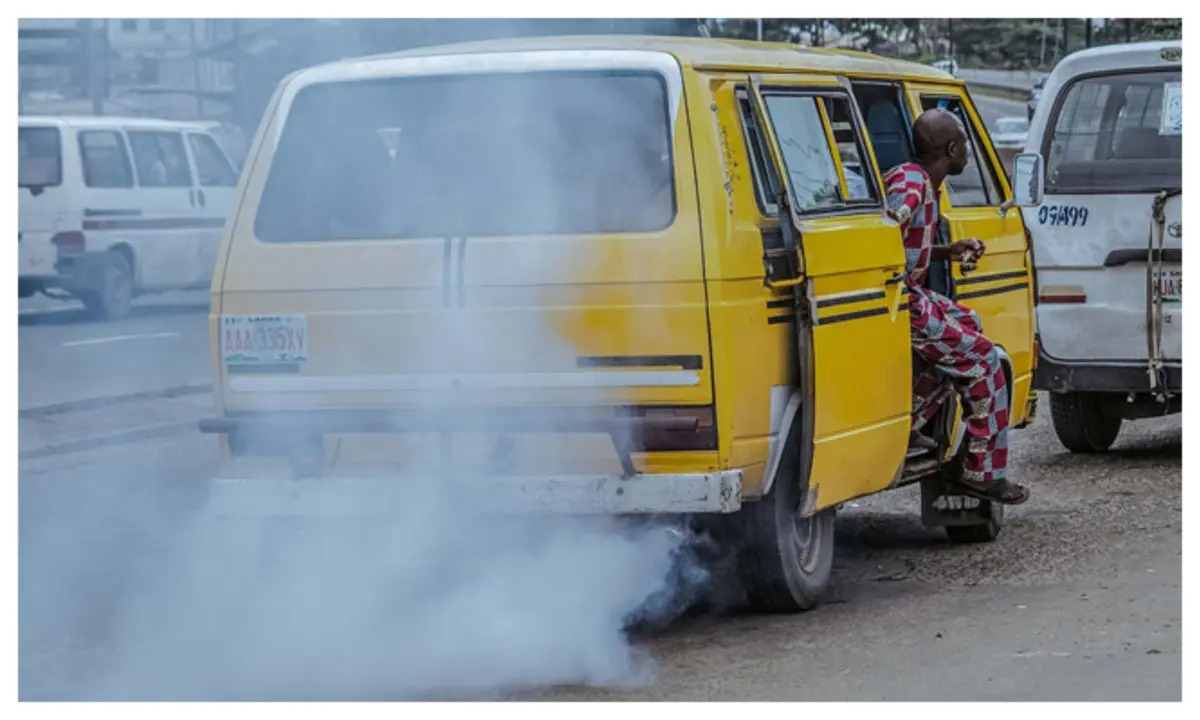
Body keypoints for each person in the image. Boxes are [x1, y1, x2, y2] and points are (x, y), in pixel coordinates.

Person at [884, 108, 1030, 505]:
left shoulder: (919, 181)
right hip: (901, 301)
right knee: (984, 361)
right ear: (952, 149)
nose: (966, 150)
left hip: (910, 297)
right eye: (964, 143)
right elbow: (884, 233)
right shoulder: (912, 185)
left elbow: (906, 244)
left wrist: (947, 252)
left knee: (968, 323)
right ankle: (980, 472)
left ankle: (911, 420)